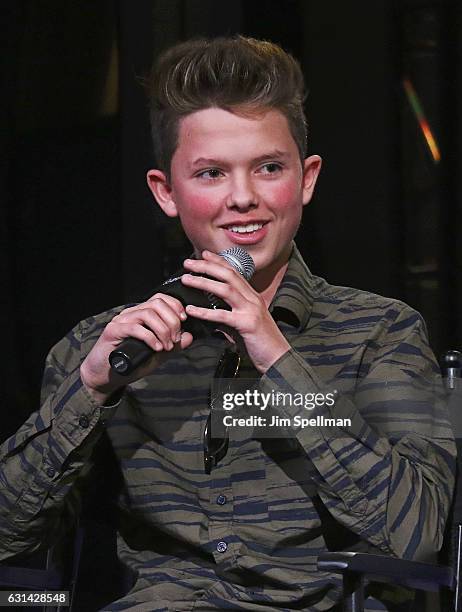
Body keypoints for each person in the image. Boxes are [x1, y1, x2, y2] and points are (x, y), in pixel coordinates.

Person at [0, 36, 456, 612]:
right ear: (166, 192)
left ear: (307, 178)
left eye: (269, 167)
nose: (243, 198)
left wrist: (277, 358)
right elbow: (9, 541)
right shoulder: (106, 346)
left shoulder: (380, 331)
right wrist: (89, 391)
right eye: (211, 173)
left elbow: (416, 537)